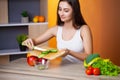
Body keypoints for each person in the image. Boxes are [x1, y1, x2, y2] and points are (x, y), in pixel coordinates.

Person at [22, 0, 93, 63]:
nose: (61, 13)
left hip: (79, 71)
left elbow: (88, 56)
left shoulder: (84, 29)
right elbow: (35, 41)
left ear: (75, 11)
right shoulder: (56, 29)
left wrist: (70, 52)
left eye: (66, 10)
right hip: (62, 69)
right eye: (60, 9)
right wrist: (30, 41)